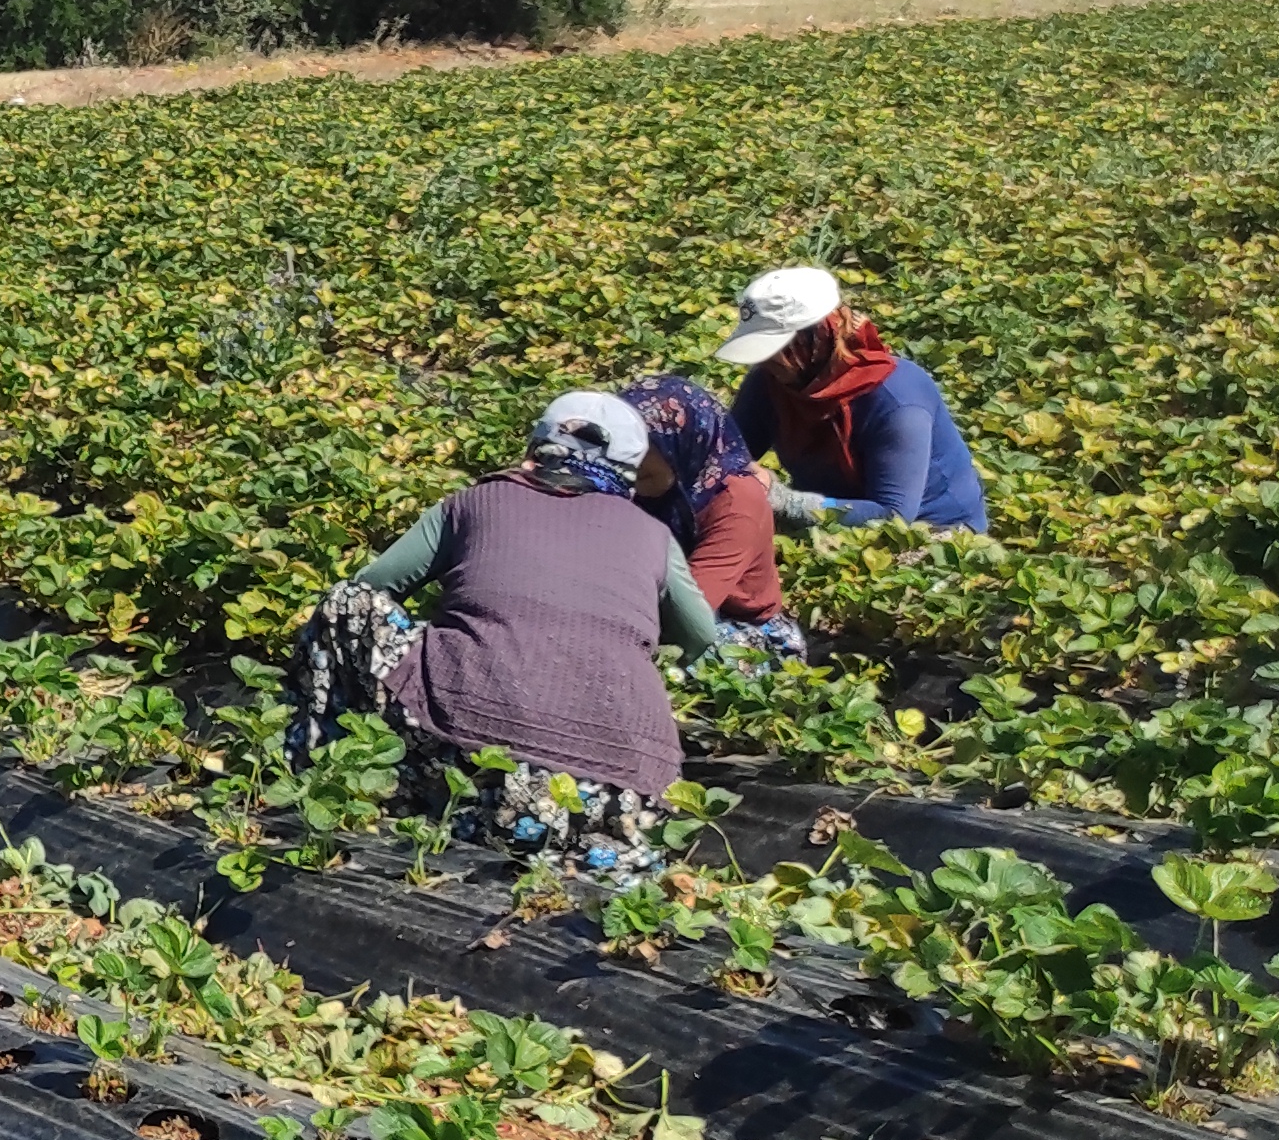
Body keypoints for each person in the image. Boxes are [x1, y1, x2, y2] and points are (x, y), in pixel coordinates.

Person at [291, 392, 723, 882]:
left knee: (346, 605)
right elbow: (700, 635)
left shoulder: (477, 502)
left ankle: (323, 773)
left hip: (482, 774)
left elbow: (371, 586)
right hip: (623, 801)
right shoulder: (653, 535)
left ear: (539, 444)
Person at [718, 266, 988, 534]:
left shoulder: (897, 400)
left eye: (775, 349)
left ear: (816, 337)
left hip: (928, 529)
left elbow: (893, 515)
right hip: (827, 516)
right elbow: (722, 456)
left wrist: (785, 501)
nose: (763, 361)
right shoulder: (772, 382)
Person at [617, 372, 798, 657]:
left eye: (646, 447)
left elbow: (688, 620)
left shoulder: (736, 503)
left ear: (684, 442)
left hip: (738, 627)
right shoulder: (631, 482)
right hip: (654, 607)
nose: (632, 460)